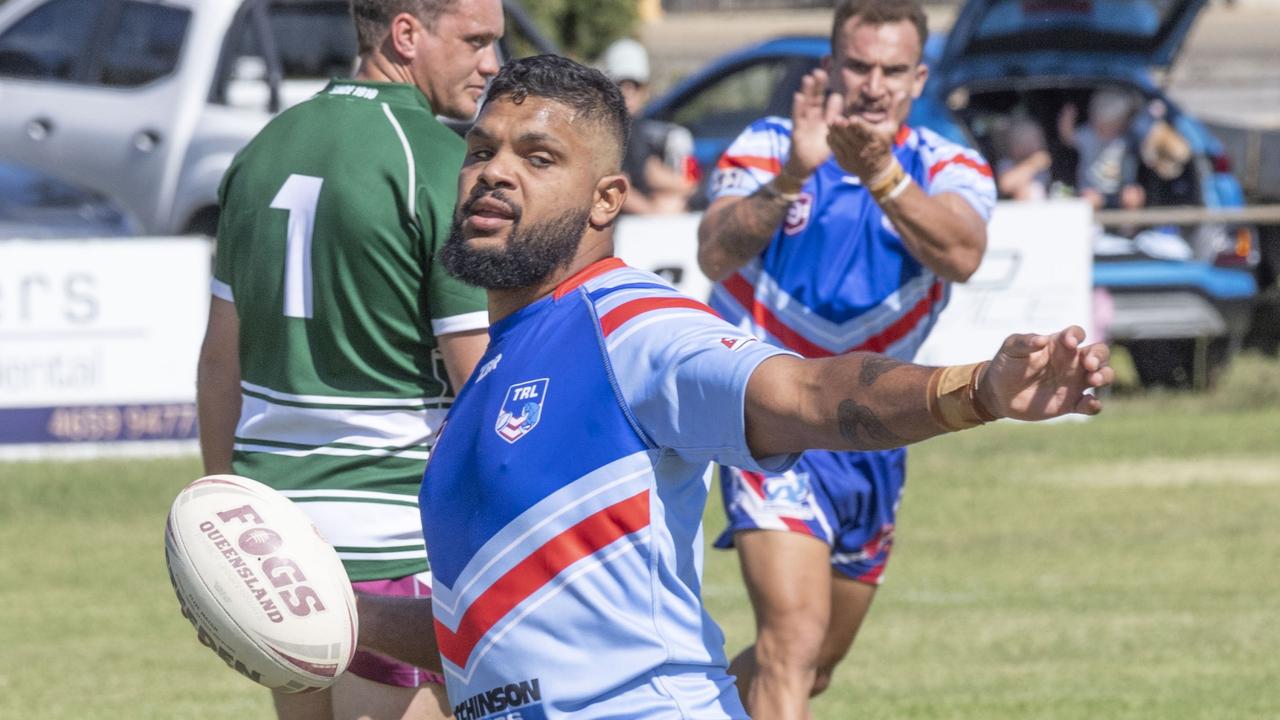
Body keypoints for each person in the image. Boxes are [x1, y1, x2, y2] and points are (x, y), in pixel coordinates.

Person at [351, 54, 1111, 719]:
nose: (494, 171)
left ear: (608, 199)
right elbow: (484, 627)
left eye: (539, 157)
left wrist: (976, 389)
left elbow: (810, 393)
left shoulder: (629, 323)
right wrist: (340, 620)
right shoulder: (484, 376)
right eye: (480, 149)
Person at [195, 1, 501, 718]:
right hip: (393, 543)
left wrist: (226, 520)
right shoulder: (437, 163)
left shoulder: (265, 147)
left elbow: (219, 362)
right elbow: (481, 381)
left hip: (276, 545)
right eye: (476, 41)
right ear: (406, 34)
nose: (491, 64)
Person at [695, 0, 997, 716]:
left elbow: (962, 252)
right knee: (790, 645)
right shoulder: (771, 145)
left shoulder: (948, 164)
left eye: (892, 70)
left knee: (816, 661)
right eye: (858, 65)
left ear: (918, 78)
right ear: (830, 67)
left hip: (874, 434)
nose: (873, 84)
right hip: (773, 423)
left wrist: (884, 177)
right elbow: (713, 249)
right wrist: (794, 176)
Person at [601, 37, 698, 214]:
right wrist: (653, 213)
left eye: (635, 85)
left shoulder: (636, 126)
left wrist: (688, 186)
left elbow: (651, 170)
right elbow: (616, 184)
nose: (628, 92)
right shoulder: (606, 132)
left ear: (645, 89)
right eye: (621, 85)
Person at [1058, 88, 1146, 210]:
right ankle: (1094, 228)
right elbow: (1068, 137)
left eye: (1112, 127)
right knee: (1090, 199)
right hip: (1093, 189)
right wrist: (1068, 116)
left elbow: (1146, 136)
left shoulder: (1127, 138)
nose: (1106, 132)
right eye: (1102, 127)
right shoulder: (1088, 135)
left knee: (1133, 195)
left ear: (1122, 124)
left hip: (1121, 189)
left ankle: (1128, 227)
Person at [997, 115, 1053, 201]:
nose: (1033, 145)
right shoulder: (1007, 163)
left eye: (1036, 140)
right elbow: (1005, 185)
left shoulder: (1044, 162)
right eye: (1027, 141)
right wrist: (1032, 164)